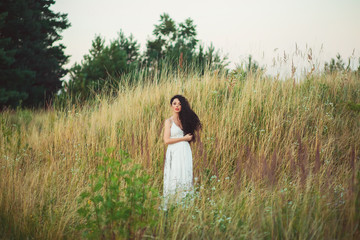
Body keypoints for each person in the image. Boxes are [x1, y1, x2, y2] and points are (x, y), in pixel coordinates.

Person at [161, 95, 202, 211]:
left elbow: (194, 132)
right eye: (174, 104)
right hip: (174, 152)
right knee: (174, 175)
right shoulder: (168, 121)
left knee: (185, 174)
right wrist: (183, 139)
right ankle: (172, 204)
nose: (177, 106)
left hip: (185, 152)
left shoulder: (185, 120)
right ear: (171, 105)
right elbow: (167, 140)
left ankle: (185, 205)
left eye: (179, 104)